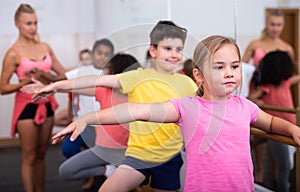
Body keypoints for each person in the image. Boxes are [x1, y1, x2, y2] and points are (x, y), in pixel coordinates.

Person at [50, 35, 300, 192]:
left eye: (234, 66)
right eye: (219, 67)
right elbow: (136, 110)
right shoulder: (187, 106)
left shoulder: (245, 106)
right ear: (199, 76)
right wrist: (87, 118)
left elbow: (271, 122)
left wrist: (292, 129)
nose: (230, 73)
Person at [22, 20, 197, 192]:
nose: (174, 54)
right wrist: (57, 86)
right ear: (153, 50)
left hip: (169, 158)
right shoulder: (138, 76)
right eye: (167, 48)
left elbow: (203, 108)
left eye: (179, 49)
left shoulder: (187, 84)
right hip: (138, 155)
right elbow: (97, 81)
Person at [0, 4, 66, 192]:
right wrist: (23, 82)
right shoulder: (13, 53)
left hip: (47, 106)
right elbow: (2, 88)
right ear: (17, 24)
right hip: (26, 107)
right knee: (29, 157)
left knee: (41, 155)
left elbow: (62, 75)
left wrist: (44, 75)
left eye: (35, 23)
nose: (33, 28)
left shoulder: (45, 47)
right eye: (28, 23)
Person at [57, 53, 140, 190]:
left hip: (127, 153)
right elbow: (74, 87)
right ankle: (107, 170)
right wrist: (50, 88)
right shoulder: (104, 91)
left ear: (116, 72)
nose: (105, 72)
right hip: (102, 150)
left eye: (108, 69)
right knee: (66, 171)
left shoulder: (137, 94)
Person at [242, 9, 296, 184]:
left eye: (279, 25)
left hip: (279, 94)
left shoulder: (287, 48)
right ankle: (260, 174)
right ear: (266, 23)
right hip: (258, 92)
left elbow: (289, 74)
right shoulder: (254, 44)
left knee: (279, 142)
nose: (275, 28)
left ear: (283, 26)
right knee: (259, 133)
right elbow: (242, 68)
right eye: (272, 24)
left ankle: (280, 175)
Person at [248, 50, 299, 192]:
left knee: (288, 164)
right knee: (285, 167)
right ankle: (283, 187)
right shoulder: (267, 87)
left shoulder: (286, 82)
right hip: (277, 130)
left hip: (290, 127)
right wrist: (259, 102)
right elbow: (250, 99)